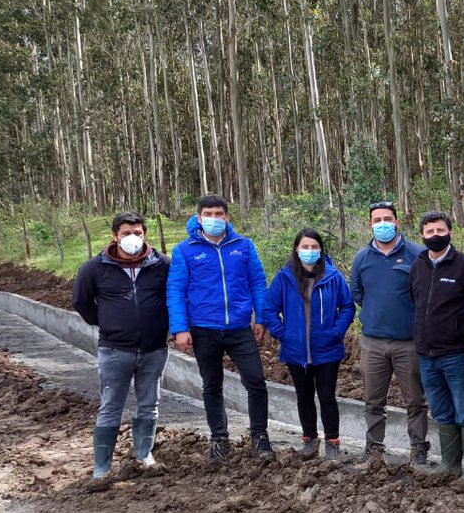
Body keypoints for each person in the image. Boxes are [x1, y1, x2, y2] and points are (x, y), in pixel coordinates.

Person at [167, 194, 272, 464]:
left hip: (239, 328)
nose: (214, 220)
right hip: (204, 329)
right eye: (209, 215)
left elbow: (257, 283)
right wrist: (180, 328)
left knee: (256, 382)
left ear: (227, 217)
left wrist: (260, 317)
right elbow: (176, 290)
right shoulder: (185, 250)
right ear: (199, 218)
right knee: (212, 385)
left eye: (219, 215)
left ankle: (259, 436)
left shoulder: (243, 246)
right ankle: (219, 438)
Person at [72, 211, 171, 483]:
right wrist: (106, 322)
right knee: (111, 405)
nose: (132, 238)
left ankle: (145, 455)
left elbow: (174, 297)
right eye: (126, 233)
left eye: (137, 233)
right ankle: (102, 468)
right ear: (115, 235)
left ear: (145, 234)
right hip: (115, 350)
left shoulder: (162, 265)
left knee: (149, 404)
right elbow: (81, 302)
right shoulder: (95, 268)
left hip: (154, 348)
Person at [262, 229, 356, 461]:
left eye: (314, 247)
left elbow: (347, 307)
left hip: (327, 349)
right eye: (305, 247)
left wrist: (336, 332)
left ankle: (332, 443)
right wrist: (283, 333)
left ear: (321, 250)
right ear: (296, 249)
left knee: (327, 396)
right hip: (295, 350)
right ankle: (310, 440)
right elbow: (269, 309)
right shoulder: (284, 277)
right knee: (304, 397)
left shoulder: (332, 277)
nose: (310, 251)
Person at [350, 201, 429, 469]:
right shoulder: (362, 258)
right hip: (373, 343)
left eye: (387, 219)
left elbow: (423, 295)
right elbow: (358, 294)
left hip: (408, 343)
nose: (382, 224)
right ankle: (373, 450)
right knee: (373, 401)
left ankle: (418, 450)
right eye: (376, 220)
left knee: (415, 401)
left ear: (397, 222)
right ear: (370, 224)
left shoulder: (417, 254)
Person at [409, 211, 464, 490]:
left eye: (440, 230)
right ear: (422, 236)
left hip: (457, 354)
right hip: (427, 355)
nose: (435, 236)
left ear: (450, 231)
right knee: (441, 411)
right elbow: (415, 301)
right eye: (429, 232)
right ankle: (449, 464)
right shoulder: (417, 267)